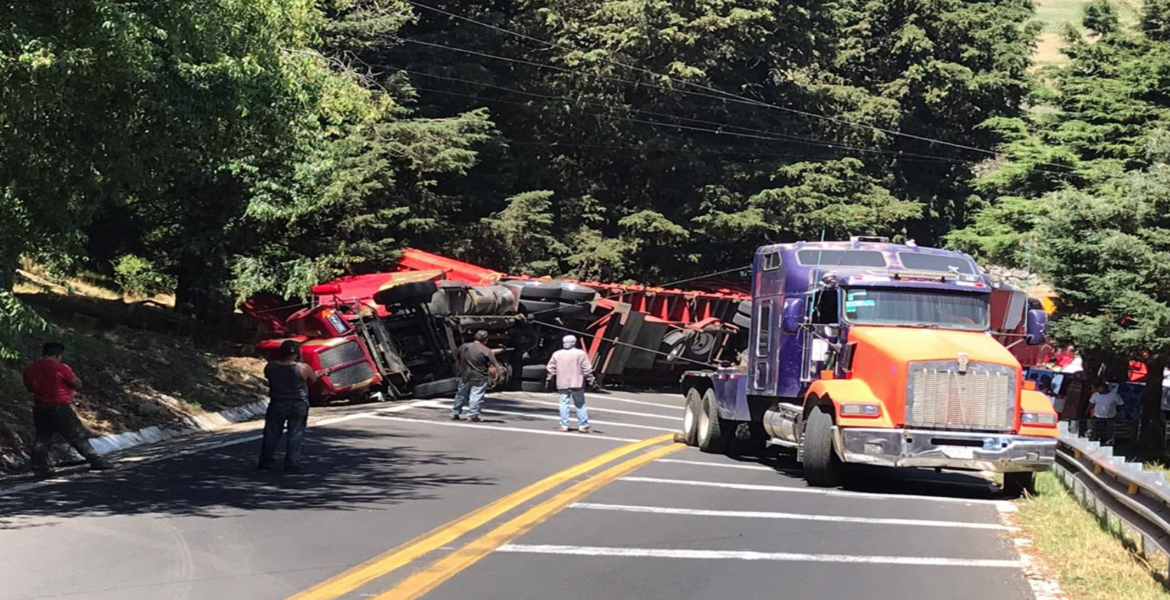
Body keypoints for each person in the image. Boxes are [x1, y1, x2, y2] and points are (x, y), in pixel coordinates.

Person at [23, 342, 113, 475]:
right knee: (76, 435)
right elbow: (77, 383)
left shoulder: (30, 369)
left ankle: (39, 467)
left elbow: (30, 388)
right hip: (59, 406)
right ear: (58, 355)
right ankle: (96, 460)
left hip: (40, 406)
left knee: (42, 437)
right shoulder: (60, 367)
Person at [259, 340, 318, 472]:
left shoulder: (270, 366)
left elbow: (269, 377)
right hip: (298, 404)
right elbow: (313, 380)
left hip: (277, 402)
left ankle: (266, 461)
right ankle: (292, 463)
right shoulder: (303, 367)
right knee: (295, 433)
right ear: (297, 353)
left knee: (271, 433)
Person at [547, 334, 595, 433]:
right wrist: (590, 378)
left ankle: (564, 426)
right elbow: (587, 368)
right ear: (574, 342)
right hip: (577, 382)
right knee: (580, 404)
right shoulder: (580, 354)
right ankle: (583, 426)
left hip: (562, 383)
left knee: (563, 404)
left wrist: (550, 377)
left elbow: (550, 367)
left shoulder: (557, 354)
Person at [452, 330, 499, 422]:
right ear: (486, 340)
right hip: (479, 376)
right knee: (476, 396)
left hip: (465, 374)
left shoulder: (464, 347)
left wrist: (459, 370)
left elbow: (457, 358)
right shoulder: (486, 351)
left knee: (461, 394)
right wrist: (493, 378)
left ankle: (455, 413)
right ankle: (472, 415)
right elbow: (492, 367)